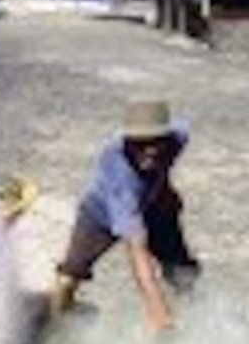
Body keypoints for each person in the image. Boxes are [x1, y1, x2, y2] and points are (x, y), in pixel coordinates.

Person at [51, 100, 200, 331]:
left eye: (155, 142)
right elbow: (137, 249)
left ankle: (192, 316)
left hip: (153, 205)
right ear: (128, 141)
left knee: (183, 274)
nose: (148, 150)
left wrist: (165, 189)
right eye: (139, 144)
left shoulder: (178, 136)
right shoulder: (118, 173)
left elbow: (164, 160)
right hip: (100, 216)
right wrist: (157, 311)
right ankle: (59, 321)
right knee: (68, 279)